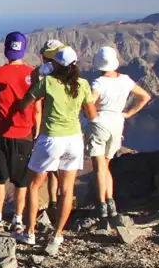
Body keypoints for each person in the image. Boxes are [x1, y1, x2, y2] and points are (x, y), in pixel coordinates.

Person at [11, 46, 97, 253]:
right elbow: (91, 115)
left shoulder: (47, 83)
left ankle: (29, 233)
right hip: (74, 140)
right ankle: (57, 235)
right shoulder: (83, 84)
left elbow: (25, 104)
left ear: (55, 65)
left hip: (51, 139)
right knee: (67, 190)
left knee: (33, 185)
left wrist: (37, 74)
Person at [0, 32, 40, 233]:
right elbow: (38, 109)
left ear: (6, 49)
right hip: (25, 136)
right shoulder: (34, 74)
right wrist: (35, 132)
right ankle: (17, 221)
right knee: (21, 182)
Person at [87, 46, 152, 218]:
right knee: (106, 165)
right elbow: (145, 96)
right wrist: (128, 113)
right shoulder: (125, 80)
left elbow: (90, 103)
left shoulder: (98, 83)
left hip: (100, 124)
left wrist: (91, 116)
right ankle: (110, 202)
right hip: (117, 124)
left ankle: (101, 205)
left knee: (99, 167)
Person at [31, 40, 65, 214]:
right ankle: (60, 204)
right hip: (67, 125)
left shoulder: (38, 74)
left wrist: (36, 130)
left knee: (46, 170)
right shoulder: (68, 73)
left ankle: (51, 205)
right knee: (62, 169)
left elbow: (35, 104)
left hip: (47, 126)